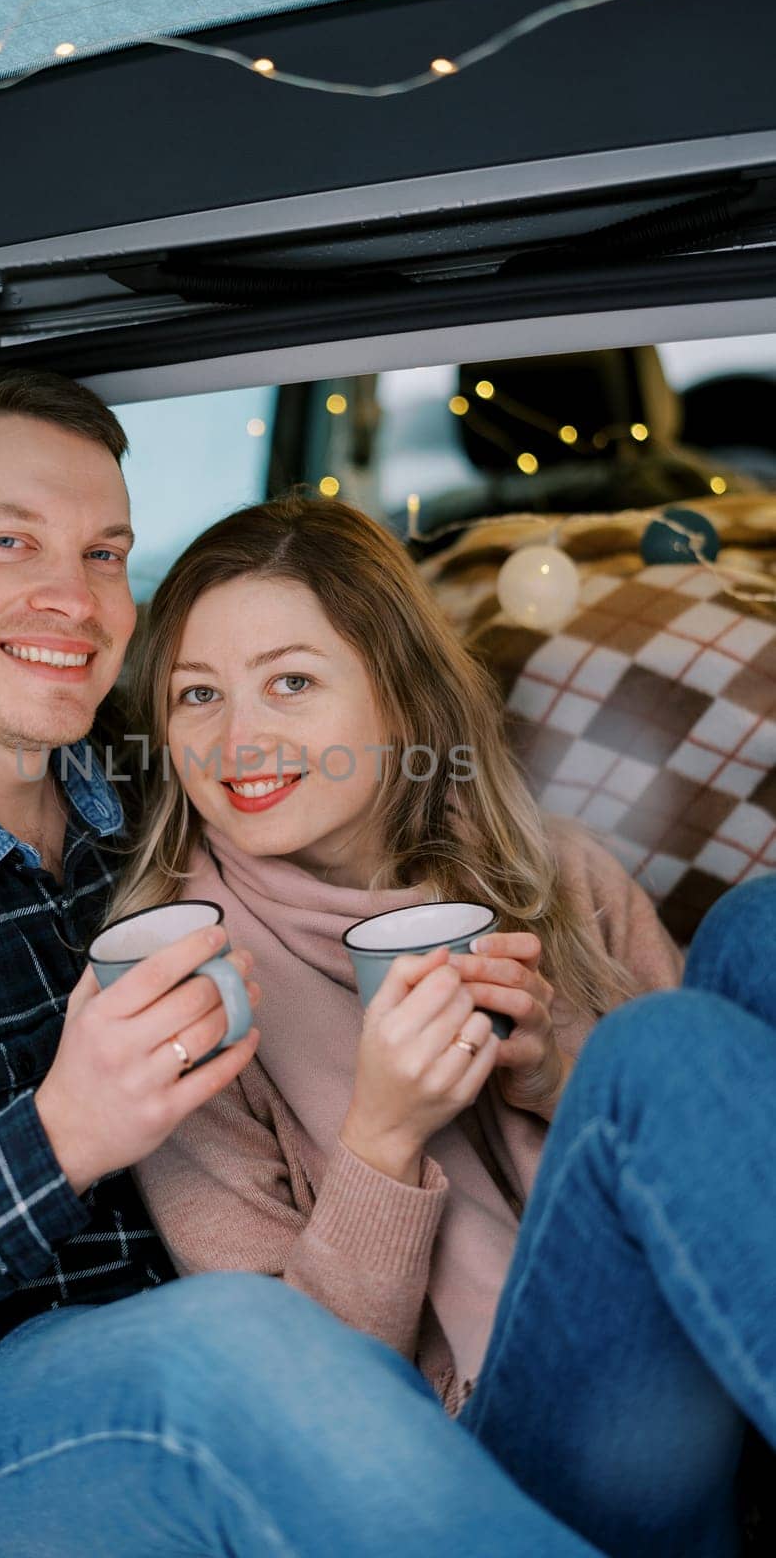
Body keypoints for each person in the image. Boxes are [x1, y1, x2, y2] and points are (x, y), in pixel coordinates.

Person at [0, 366, 625, 1558]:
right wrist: (56, 1141)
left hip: (278, 1357)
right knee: (238, 1347)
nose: (71, 597)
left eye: (104, 553)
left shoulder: (160, 793)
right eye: (8, 541)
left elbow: (355, 763)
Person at [115, 494, 773, 1556]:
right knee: (657, 1047)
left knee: (757, 927)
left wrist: (559, 1069)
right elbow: (289, 1407)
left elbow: (718, 1157)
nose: (237, 739)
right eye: (196, 694)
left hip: (704, 1343)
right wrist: (381, 1137)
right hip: (480, 1449)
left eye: (290, 681)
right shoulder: (179, 988)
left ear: (401, 699)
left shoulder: (553, 874)